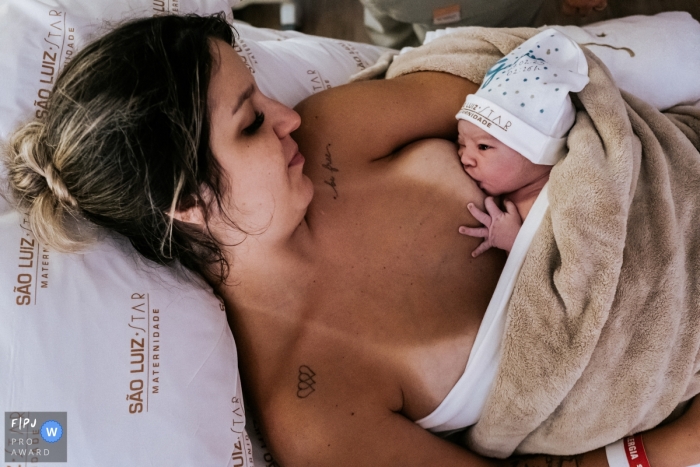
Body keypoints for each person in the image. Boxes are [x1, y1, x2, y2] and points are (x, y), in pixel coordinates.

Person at [3, 13, 699, 467]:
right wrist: (672, 449)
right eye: (250, 125)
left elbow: (526, 82)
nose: (286, 116)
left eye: (260, 95)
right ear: (187, 204)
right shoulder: (311, 410)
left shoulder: (329, 131)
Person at [456, 29, 589, 256]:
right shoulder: (514, 187)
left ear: (536, 155)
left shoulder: (551, 202)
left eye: (483, 147)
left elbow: (574, 264)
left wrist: (514, 243)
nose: (464, 159)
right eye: (461, 143)